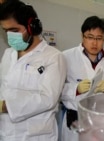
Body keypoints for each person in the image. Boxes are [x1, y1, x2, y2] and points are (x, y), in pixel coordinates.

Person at [0, 1, 67, 141]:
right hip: (6, 133)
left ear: (32, 27)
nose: (10, 36)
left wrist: (6, 106)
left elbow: (47, 98)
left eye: (14, 30)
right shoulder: (8, 54)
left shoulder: (54, 57)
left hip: (36, 136)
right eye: (5, 31)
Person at [61, 15, 104, 141]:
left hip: (102, 120)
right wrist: (76, 89)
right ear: (82, 36)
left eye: (99, 38)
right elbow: (56, 90)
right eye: (90, 37)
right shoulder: (66, 57)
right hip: (75, 120)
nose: (94, 42)